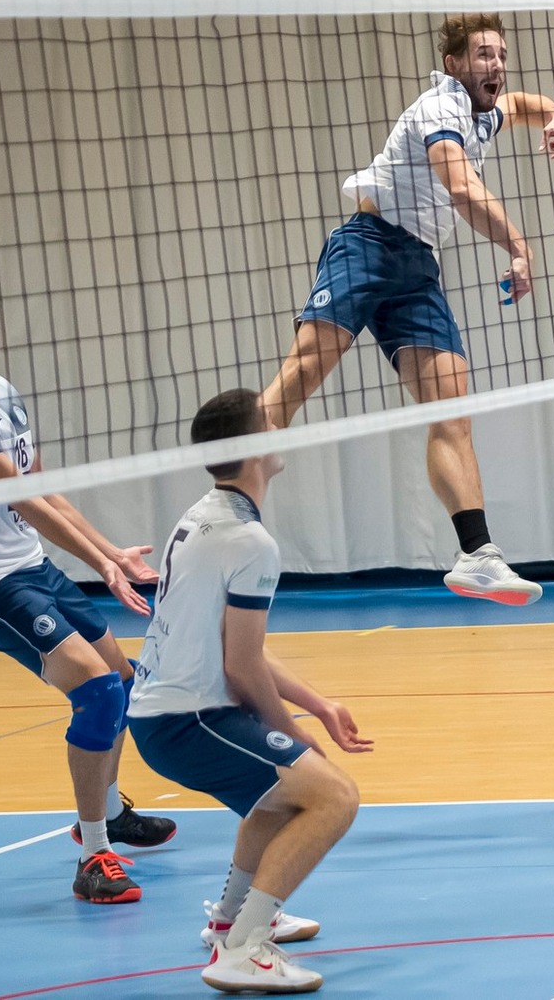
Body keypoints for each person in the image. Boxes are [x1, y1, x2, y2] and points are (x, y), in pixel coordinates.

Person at [262, 14, 554, 606]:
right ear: (454, 63)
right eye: (484, 54)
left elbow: (527, 103)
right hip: (368, 245)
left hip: (417, 268)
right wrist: (518, 244)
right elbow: (460, 189)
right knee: (299, 378)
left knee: (452, 409)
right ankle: (223, 509)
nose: (497, 64)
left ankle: (477, 556)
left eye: (502, 54)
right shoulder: (441, 110)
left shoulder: (485, 112)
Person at [0, 285, 176, 905]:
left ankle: (108, 812)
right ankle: (93, 854)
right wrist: (100, 564)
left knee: (124, 682)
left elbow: (43, 487)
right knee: (98, 692)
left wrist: (108, 555)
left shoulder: (1, 394)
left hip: (32, 567)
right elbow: (17, 498)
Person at [128, 389, 372, 995]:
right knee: (334, 797)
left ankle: (230, 919)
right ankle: (244, 950)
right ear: (253, 445)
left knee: (280, 797)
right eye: (268, 422)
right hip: (189, 720)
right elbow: (241, 666)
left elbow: (239, 648)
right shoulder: (249, 541)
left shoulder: (200, 516)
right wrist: (292, 734)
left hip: (168, 713)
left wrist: (316, 704)